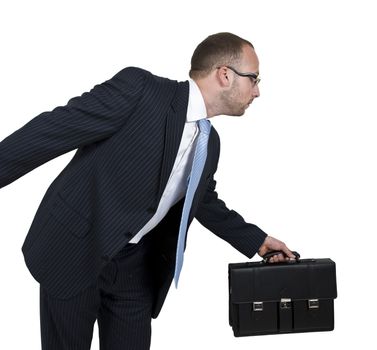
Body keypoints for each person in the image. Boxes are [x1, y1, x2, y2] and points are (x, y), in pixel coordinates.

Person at [0, 32, 295, 350]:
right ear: (225, 74)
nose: (258, 91)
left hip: (134, 270)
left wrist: (258, 241)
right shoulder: (140, 91)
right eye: (254, 79)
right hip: (76, 250)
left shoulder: (210, 144)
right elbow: (55, 129)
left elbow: (203, 200)